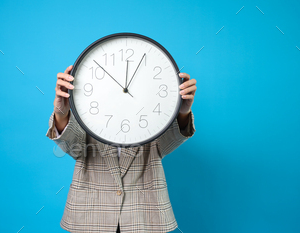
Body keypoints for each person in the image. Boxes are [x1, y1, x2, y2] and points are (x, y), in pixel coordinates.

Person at [46, 65, 197, 233]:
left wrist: (182, 112)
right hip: (91, 214)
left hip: (144, 215)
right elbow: (73, 148)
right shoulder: (87, 109)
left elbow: (168, 142)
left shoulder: (153, 113)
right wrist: (61, 113)